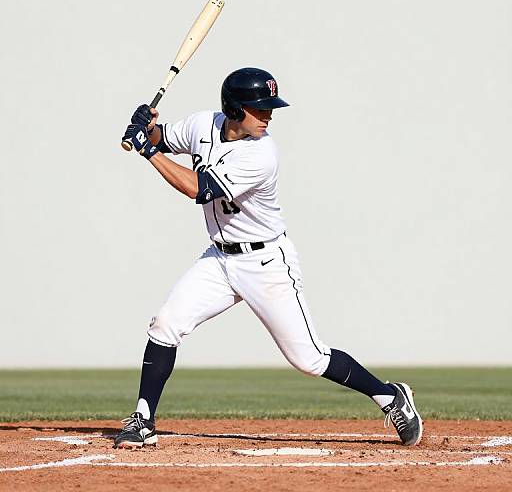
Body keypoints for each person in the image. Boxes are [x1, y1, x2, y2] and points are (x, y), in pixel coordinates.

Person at [114, 67, 423, 448]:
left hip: (265, 263)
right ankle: (143, 419)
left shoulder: (261, 153)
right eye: (258, 109)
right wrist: (148, 126)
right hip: (219, 260)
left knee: (309, 359)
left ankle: (390, 396)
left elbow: (198, 189)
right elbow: (165, 137)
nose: (268, 115)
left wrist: (147, 150)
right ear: (232, 108)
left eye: (268, 108)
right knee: (165, 325)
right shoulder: (201, 125)